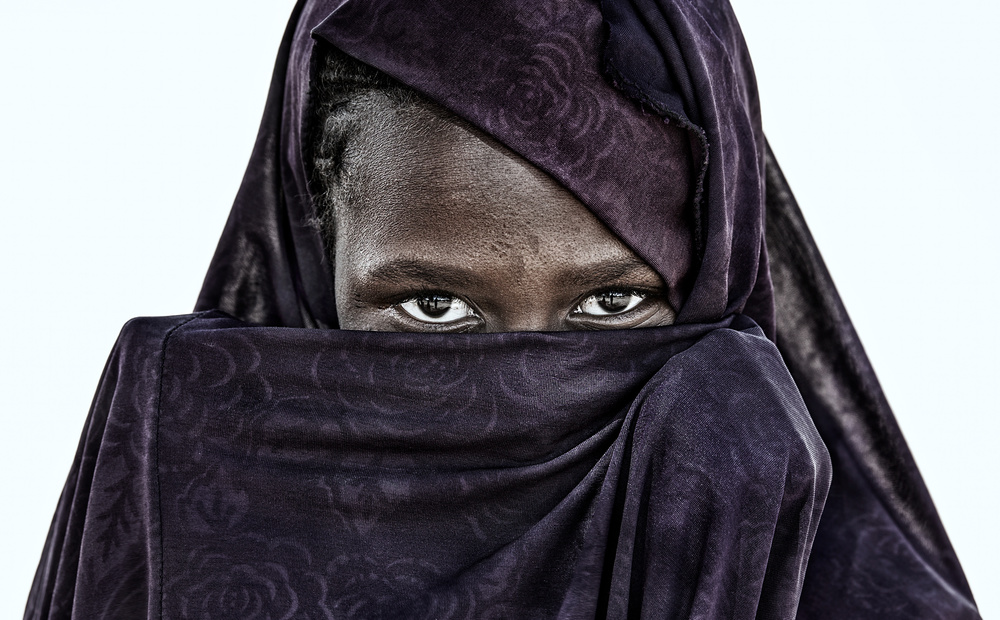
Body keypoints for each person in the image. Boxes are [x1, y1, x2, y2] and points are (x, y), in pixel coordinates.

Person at [24, 0, 981, 618]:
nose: (523, 388)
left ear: (718, 279)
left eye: (613, 302)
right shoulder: (176, 519)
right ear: (320, 266)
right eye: (433, 307)